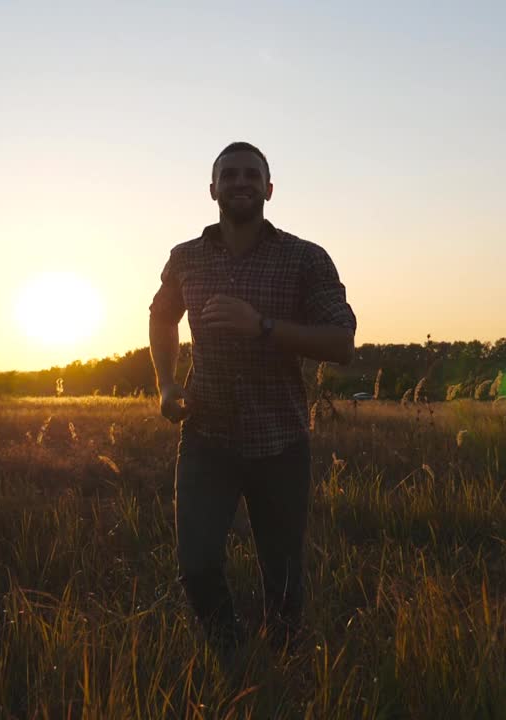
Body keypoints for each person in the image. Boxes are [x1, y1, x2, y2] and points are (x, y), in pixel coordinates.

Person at [148, 141, 357, 662]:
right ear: (213, 189)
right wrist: (166, 385)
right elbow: (161, 315)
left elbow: (341, 341)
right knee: (196, 566)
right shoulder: (186, 258)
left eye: (251, 175)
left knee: (283, 579)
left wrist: (261, 326)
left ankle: (284, 671)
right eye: (230, 175)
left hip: (280, 442)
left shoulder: (304, 258)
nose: (240, 183)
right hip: (206, 439)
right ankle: (234, 659)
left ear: (268, 189)